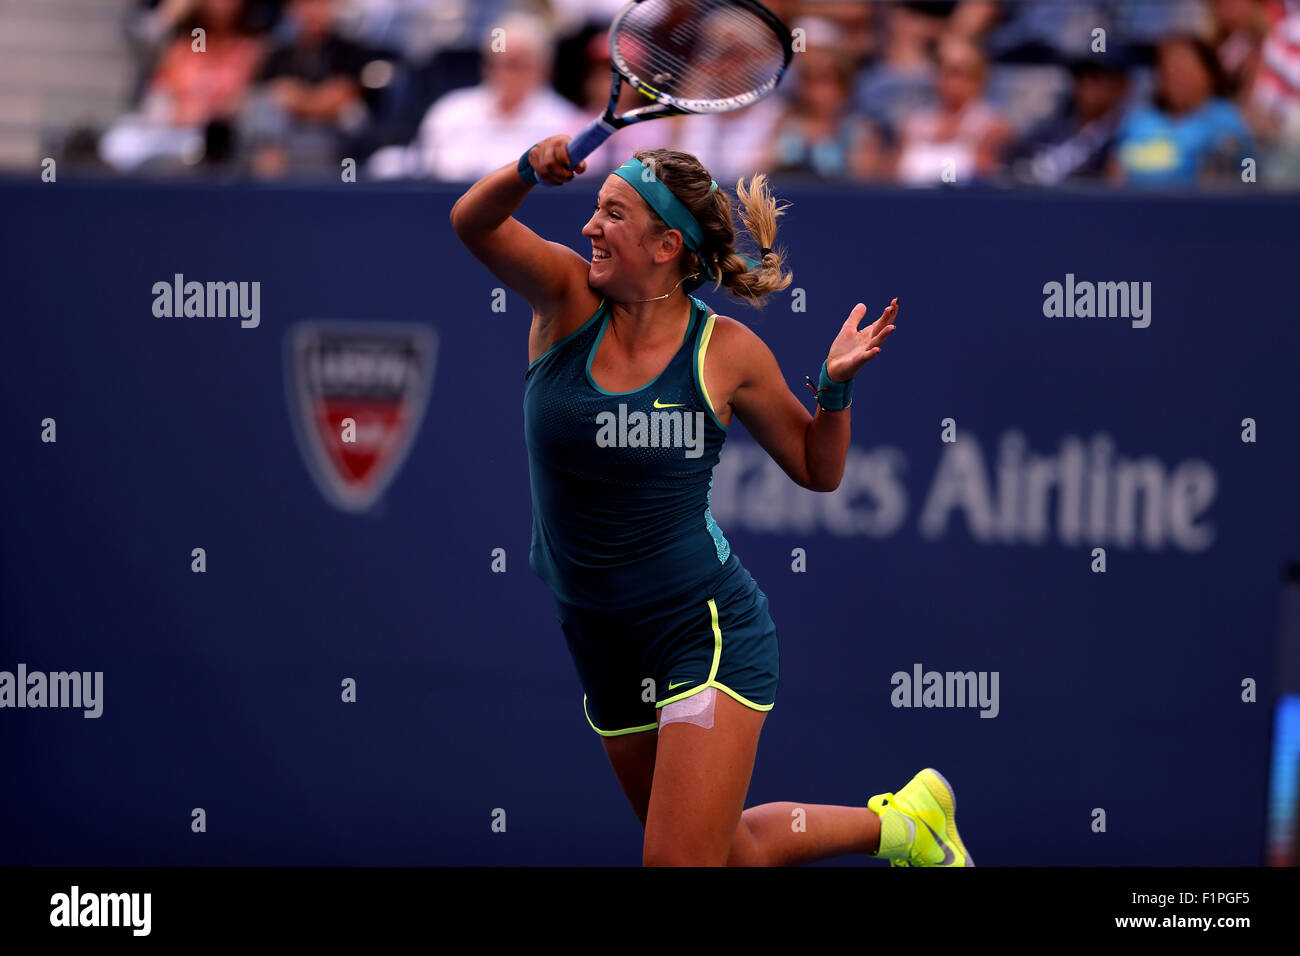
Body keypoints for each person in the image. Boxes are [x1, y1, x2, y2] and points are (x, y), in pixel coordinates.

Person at [449, 135, 973, 867]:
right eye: (596, 211)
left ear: (666, 245)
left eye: (612, 214)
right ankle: (908, 828)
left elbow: (817, 470)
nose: (588, 228)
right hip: (600, 638)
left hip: (705, 632)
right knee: (728, 856)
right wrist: (525, 171)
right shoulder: (566, 298)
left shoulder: (726, 352)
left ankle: (910, 828)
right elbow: (473, 223)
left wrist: (835, 387)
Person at [1111, 33, 1254, 187]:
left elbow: (1234, 182)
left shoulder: (1226, 121)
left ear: (1208, 74)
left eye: (1184, 68)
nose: (1176, 77)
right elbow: (1114, 174)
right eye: (1168, 68)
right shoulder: (1139, 119)